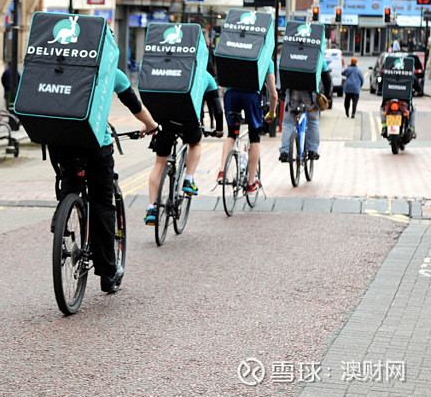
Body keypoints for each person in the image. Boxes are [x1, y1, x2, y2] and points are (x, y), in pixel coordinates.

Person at [48, 68, 158, 293]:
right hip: (97, 146)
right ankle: (108, 273)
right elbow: (135, 106)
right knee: (102, 204)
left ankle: (64, 211)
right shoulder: (112, 72)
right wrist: (152, 126)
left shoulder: (59, 65)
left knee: (71, 181)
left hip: (61, 143)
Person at [144, 77, 224, 225]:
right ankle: (188, 179)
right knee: (195, 144)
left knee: (159, 164)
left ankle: (151, 209)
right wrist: (219, 130)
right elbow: (217, 108)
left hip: (164, 123)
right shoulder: (205, 77)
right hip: (189, 123)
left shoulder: (167, 72)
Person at [218, 60, 278, 194]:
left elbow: (223, 86)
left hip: (231, 94)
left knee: (232, 134)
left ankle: (222, 171)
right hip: (251, 96)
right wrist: (272, 114)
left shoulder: (235, 50)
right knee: (255, 137)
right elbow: (273, 94)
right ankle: (251, 183)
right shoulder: (266, 58)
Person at [277, 60, 332, 162]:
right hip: (310, 93)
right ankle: (312, 151)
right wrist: (328, 96)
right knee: (313, 120)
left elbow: (284, 73)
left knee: (288, 122)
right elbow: (326, 79)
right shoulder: (317, 55)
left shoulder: (292, 52)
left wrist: (283, 91)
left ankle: (285, 152)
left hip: (293, 92)